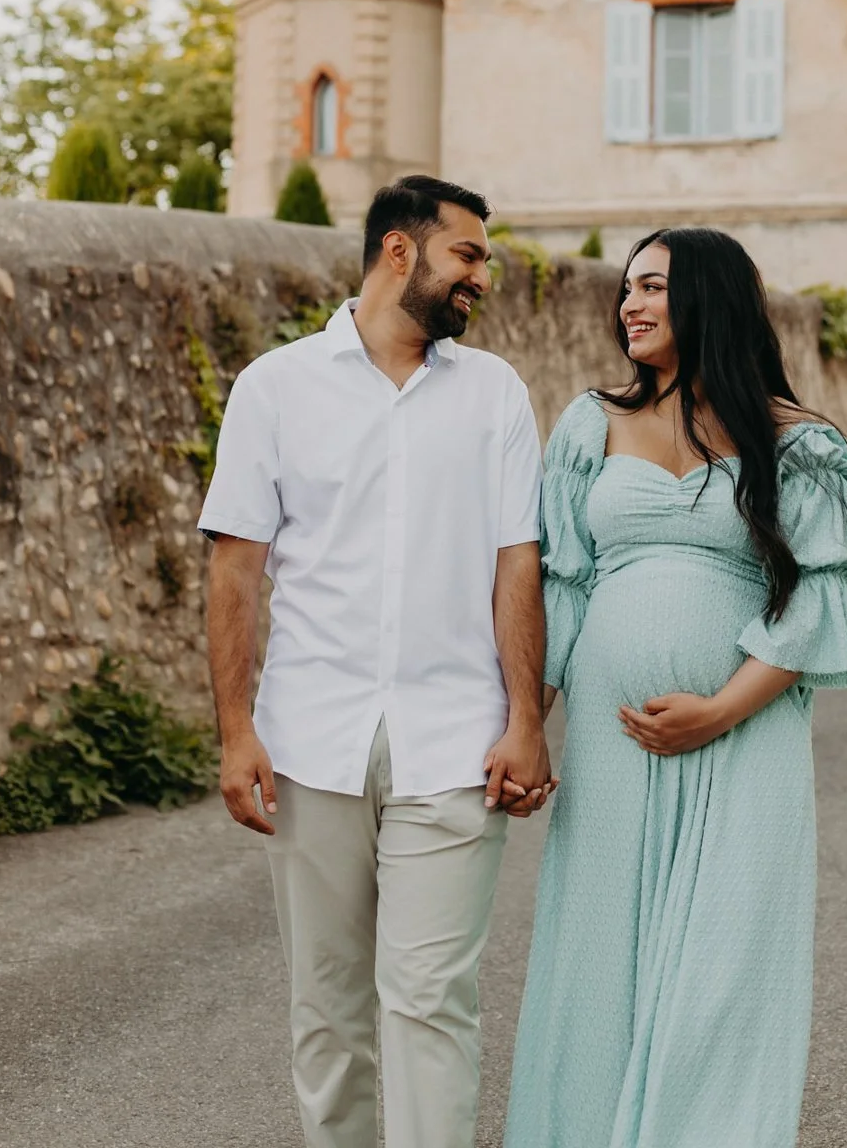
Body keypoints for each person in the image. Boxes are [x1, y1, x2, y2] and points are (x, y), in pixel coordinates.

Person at [505, 227, 847, 1148]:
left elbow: (816, 603)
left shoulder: (797, 442)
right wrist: (527, 725)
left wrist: (720, 708)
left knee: (724, 959)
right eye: (626, 288)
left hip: (746, 734)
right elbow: (564, 582)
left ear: (709, 299)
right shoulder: (592, 425)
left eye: (653, 287)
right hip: (611, 734)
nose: (628, 304)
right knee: (600, 951)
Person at [201, 174, 552, 1148]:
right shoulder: (274, 388)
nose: (485, 275)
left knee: (432, 998)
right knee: (328, 1011)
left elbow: (517, 564)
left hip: (456, 743)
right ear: (400, 252)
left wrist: (528, 720)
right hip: (313, 740)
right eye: (469, 255)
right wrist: (237, 734)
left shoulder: (495, 395)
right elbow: (236, 568)